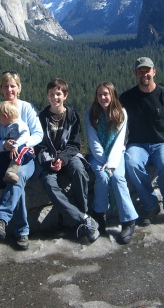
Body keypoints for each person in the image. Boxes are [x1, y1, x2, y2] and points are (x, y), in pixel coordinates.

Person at [119, 57, 164, 228]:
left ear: (154, 71)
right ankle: (151, 206)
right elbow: (116, 122)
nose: (144, 74)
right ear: (136, 74)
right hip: (137, 144)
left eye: (147, 70)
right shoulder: (127, 98)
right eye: (140, 71)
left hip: (162, 144)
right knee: (131, 163)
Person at [35, 78, 100, 243]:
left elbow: (74, 144)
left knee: (80, 172)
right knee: (49, 183)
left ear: (65, 95)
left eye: (58, 94)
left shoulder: (72, 116)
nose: (55, 98)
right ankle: (83, 219)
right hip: (48, 159)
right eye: (51, 94)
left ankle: (82, 216)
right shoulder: (42, 118)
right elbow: (39, 145)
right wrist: (48, 161)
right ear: (47, 96)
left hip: (69, 156)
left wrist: (62, 159)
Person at [0, 71, 43, 250]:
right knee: (15, 182)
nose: (9, 89)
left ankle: (2, 218)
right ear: (1, 89)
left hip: (25, 158)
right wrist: (4, 145)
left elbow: (38, 134)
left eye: (13, 86)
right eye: (5, 86)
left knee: (17, 176)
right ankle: (22, 232)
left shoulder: (27, 108)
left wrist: (20, 144)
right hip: (2, 159)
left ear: (19, 88)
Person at [85, 82, 138, 244]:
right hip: (97, 156)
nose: (102, 97)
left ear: (112, 95)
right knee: (101, 176)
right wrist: (104, 161)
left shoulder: (121, 113)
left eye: (106, 94)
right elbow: (93, 141)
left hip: (117, 155)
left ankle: (128, 220)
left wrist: (112, 163)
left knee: (117, 178)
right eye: (99, 94)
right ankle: (100, 215)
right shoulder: (90, 114)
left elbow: (119, 140)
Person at [0, 101, 31, 184]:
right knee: (2, 155)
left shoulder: (19, 124)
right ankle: (0, 184)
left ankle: (11, 171)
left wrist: (16, 145)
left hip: (23, 152)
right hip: (10, 153)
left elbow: (25, 135)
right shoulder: (4, 128)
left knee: (21, 150)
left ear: (5, 116)